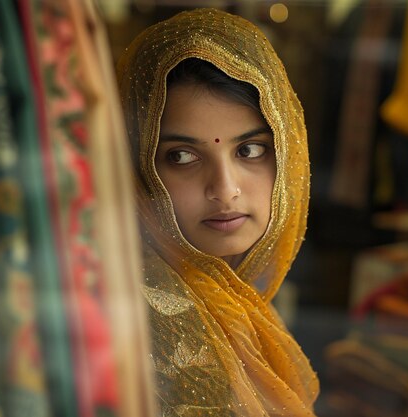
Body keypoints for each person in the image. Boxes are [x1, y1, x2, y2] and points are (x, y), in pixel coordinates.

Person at [117, 8, 319, 416]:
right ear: (138, 169)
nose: (225, 189)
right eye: (182, 156)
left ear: (287, 152)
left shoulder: (240, 306)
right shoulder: (138, 330)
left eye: (250, 150)